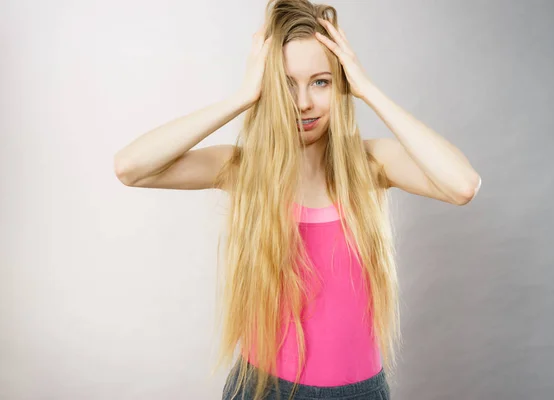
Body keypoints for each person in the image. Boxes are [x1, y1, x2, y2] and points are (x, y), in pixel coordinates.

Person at [113, 1, 481, 399]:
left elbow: (461, 185)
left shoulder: (370, 163)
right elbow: (131, 167)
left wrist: (368, 90)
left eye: (320, 82)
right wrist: (242, 97)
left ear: (340, 84)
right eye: (287, 83)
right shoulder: (244, 168)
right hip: (263, 389)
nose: (303, 102)